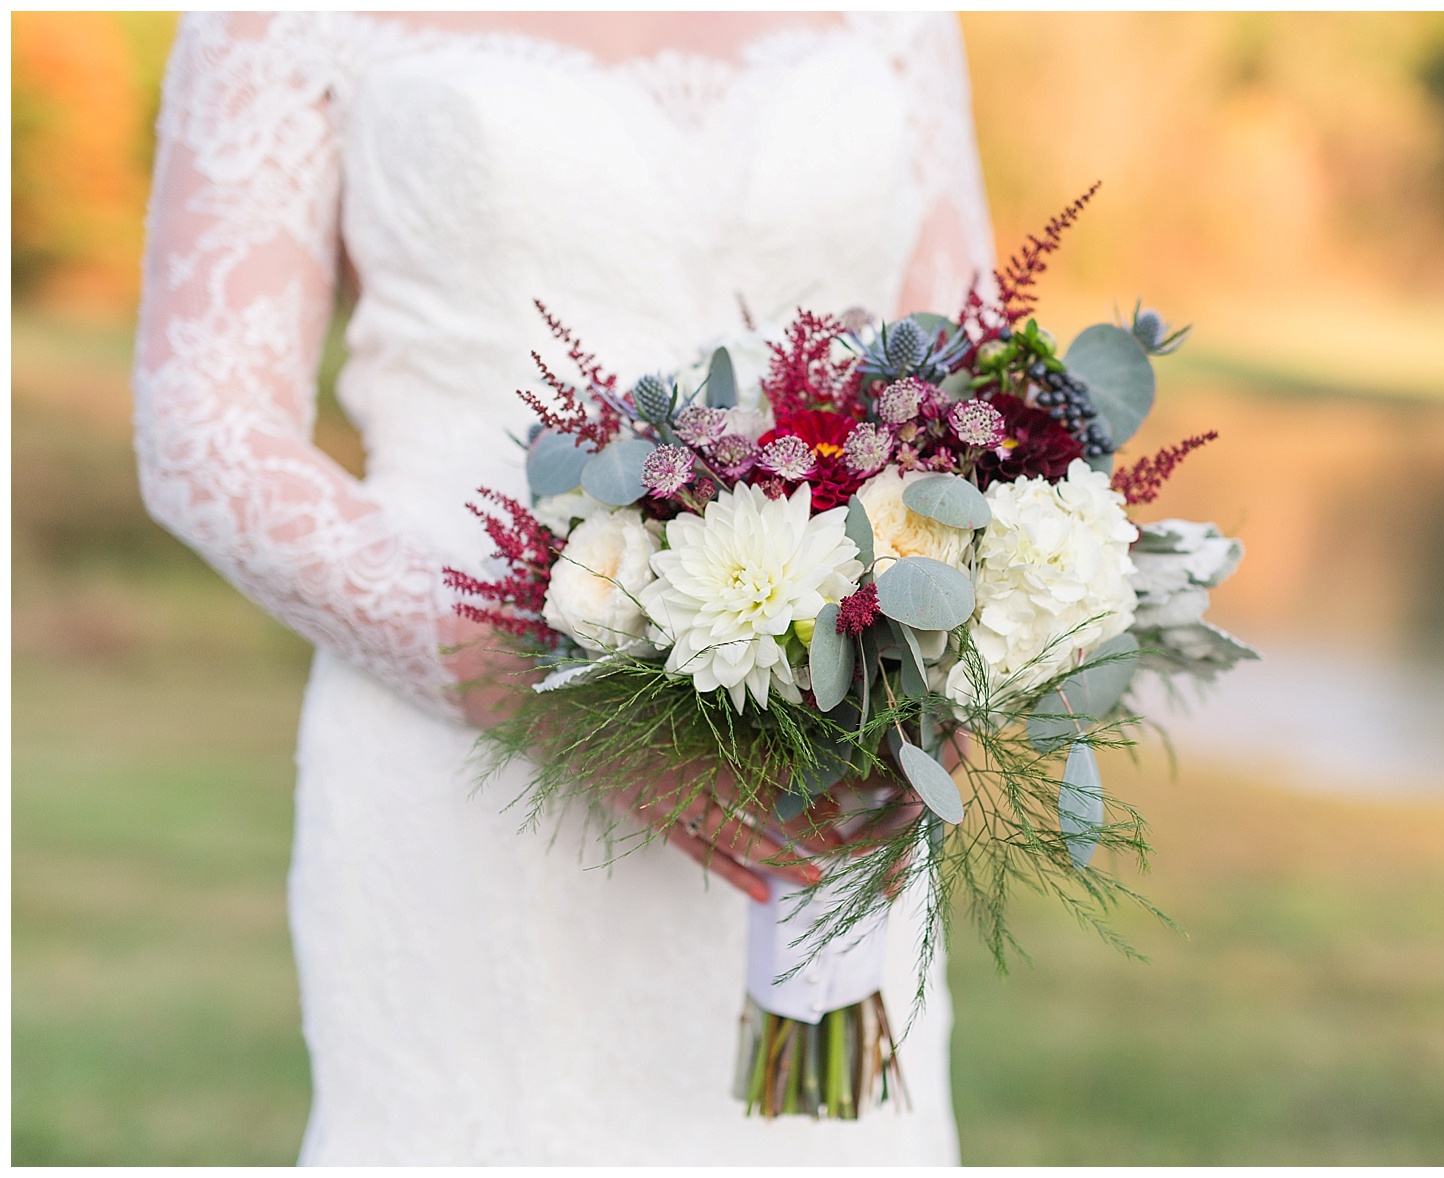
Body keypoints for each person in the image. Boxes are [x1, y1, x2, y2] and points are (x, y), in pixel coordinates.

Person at [132, 12, 993, 1164]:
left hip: (833, 767)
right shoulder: (281, 21)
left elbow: (966, 371)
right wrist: (544, 689)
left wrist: (954, 661)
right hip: (470, 752)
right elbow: (206, 433)